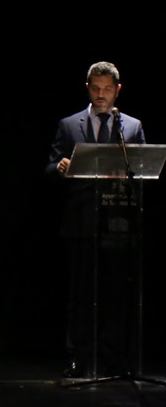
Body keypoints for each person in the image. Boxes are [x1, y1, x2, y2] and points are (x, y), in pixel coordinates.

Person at [45, 61, 146, 379]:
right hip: (80, 222)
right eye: (95, 89)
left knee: (116, 295)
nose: (101, 96)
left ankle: (114, 359)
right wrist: (59, 167)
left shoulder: (130, 126)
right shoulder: (68, 124)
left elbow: (142, 168)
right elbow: (50, 166)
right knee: (80, 294)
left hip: (117, 223)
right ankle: (78, 357)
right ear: (87, 87)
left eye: (106, 90)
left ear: (117, 90)